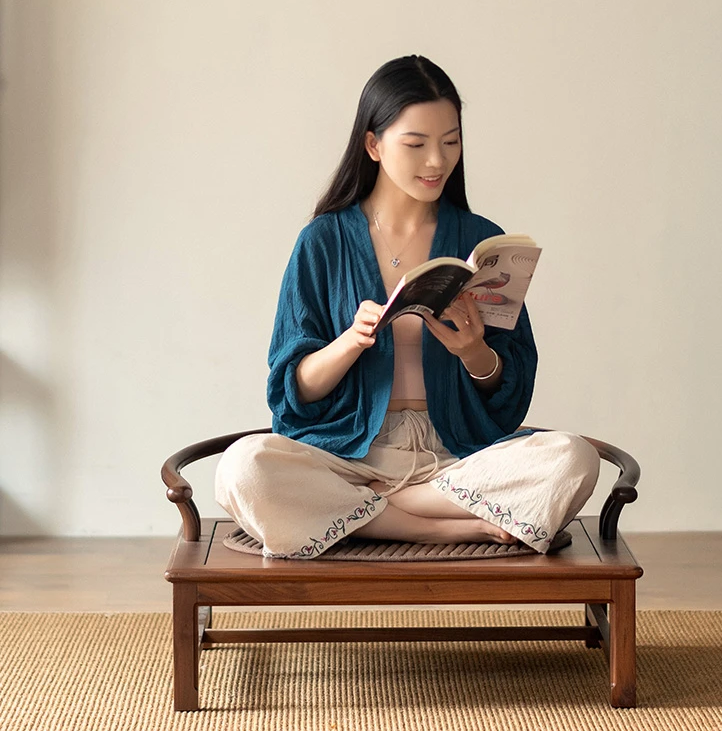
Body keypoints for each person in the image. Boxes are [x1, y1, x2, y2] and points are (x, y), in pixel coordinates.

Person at [215, 55, 600, 558]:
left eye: (450, 142)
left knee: (574, 459)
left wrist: (474, 354)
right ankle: (437, 526)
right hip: (349, 454)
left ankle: (373, 509)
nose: (437, 162)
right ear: (373, 144)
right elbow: (291, 392)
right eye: (416, 145)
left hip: (454, 453)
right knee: (243, 469)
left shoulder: (479, 239)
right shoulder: (323, 242)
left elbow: (511, 388)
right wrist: (350, 342)